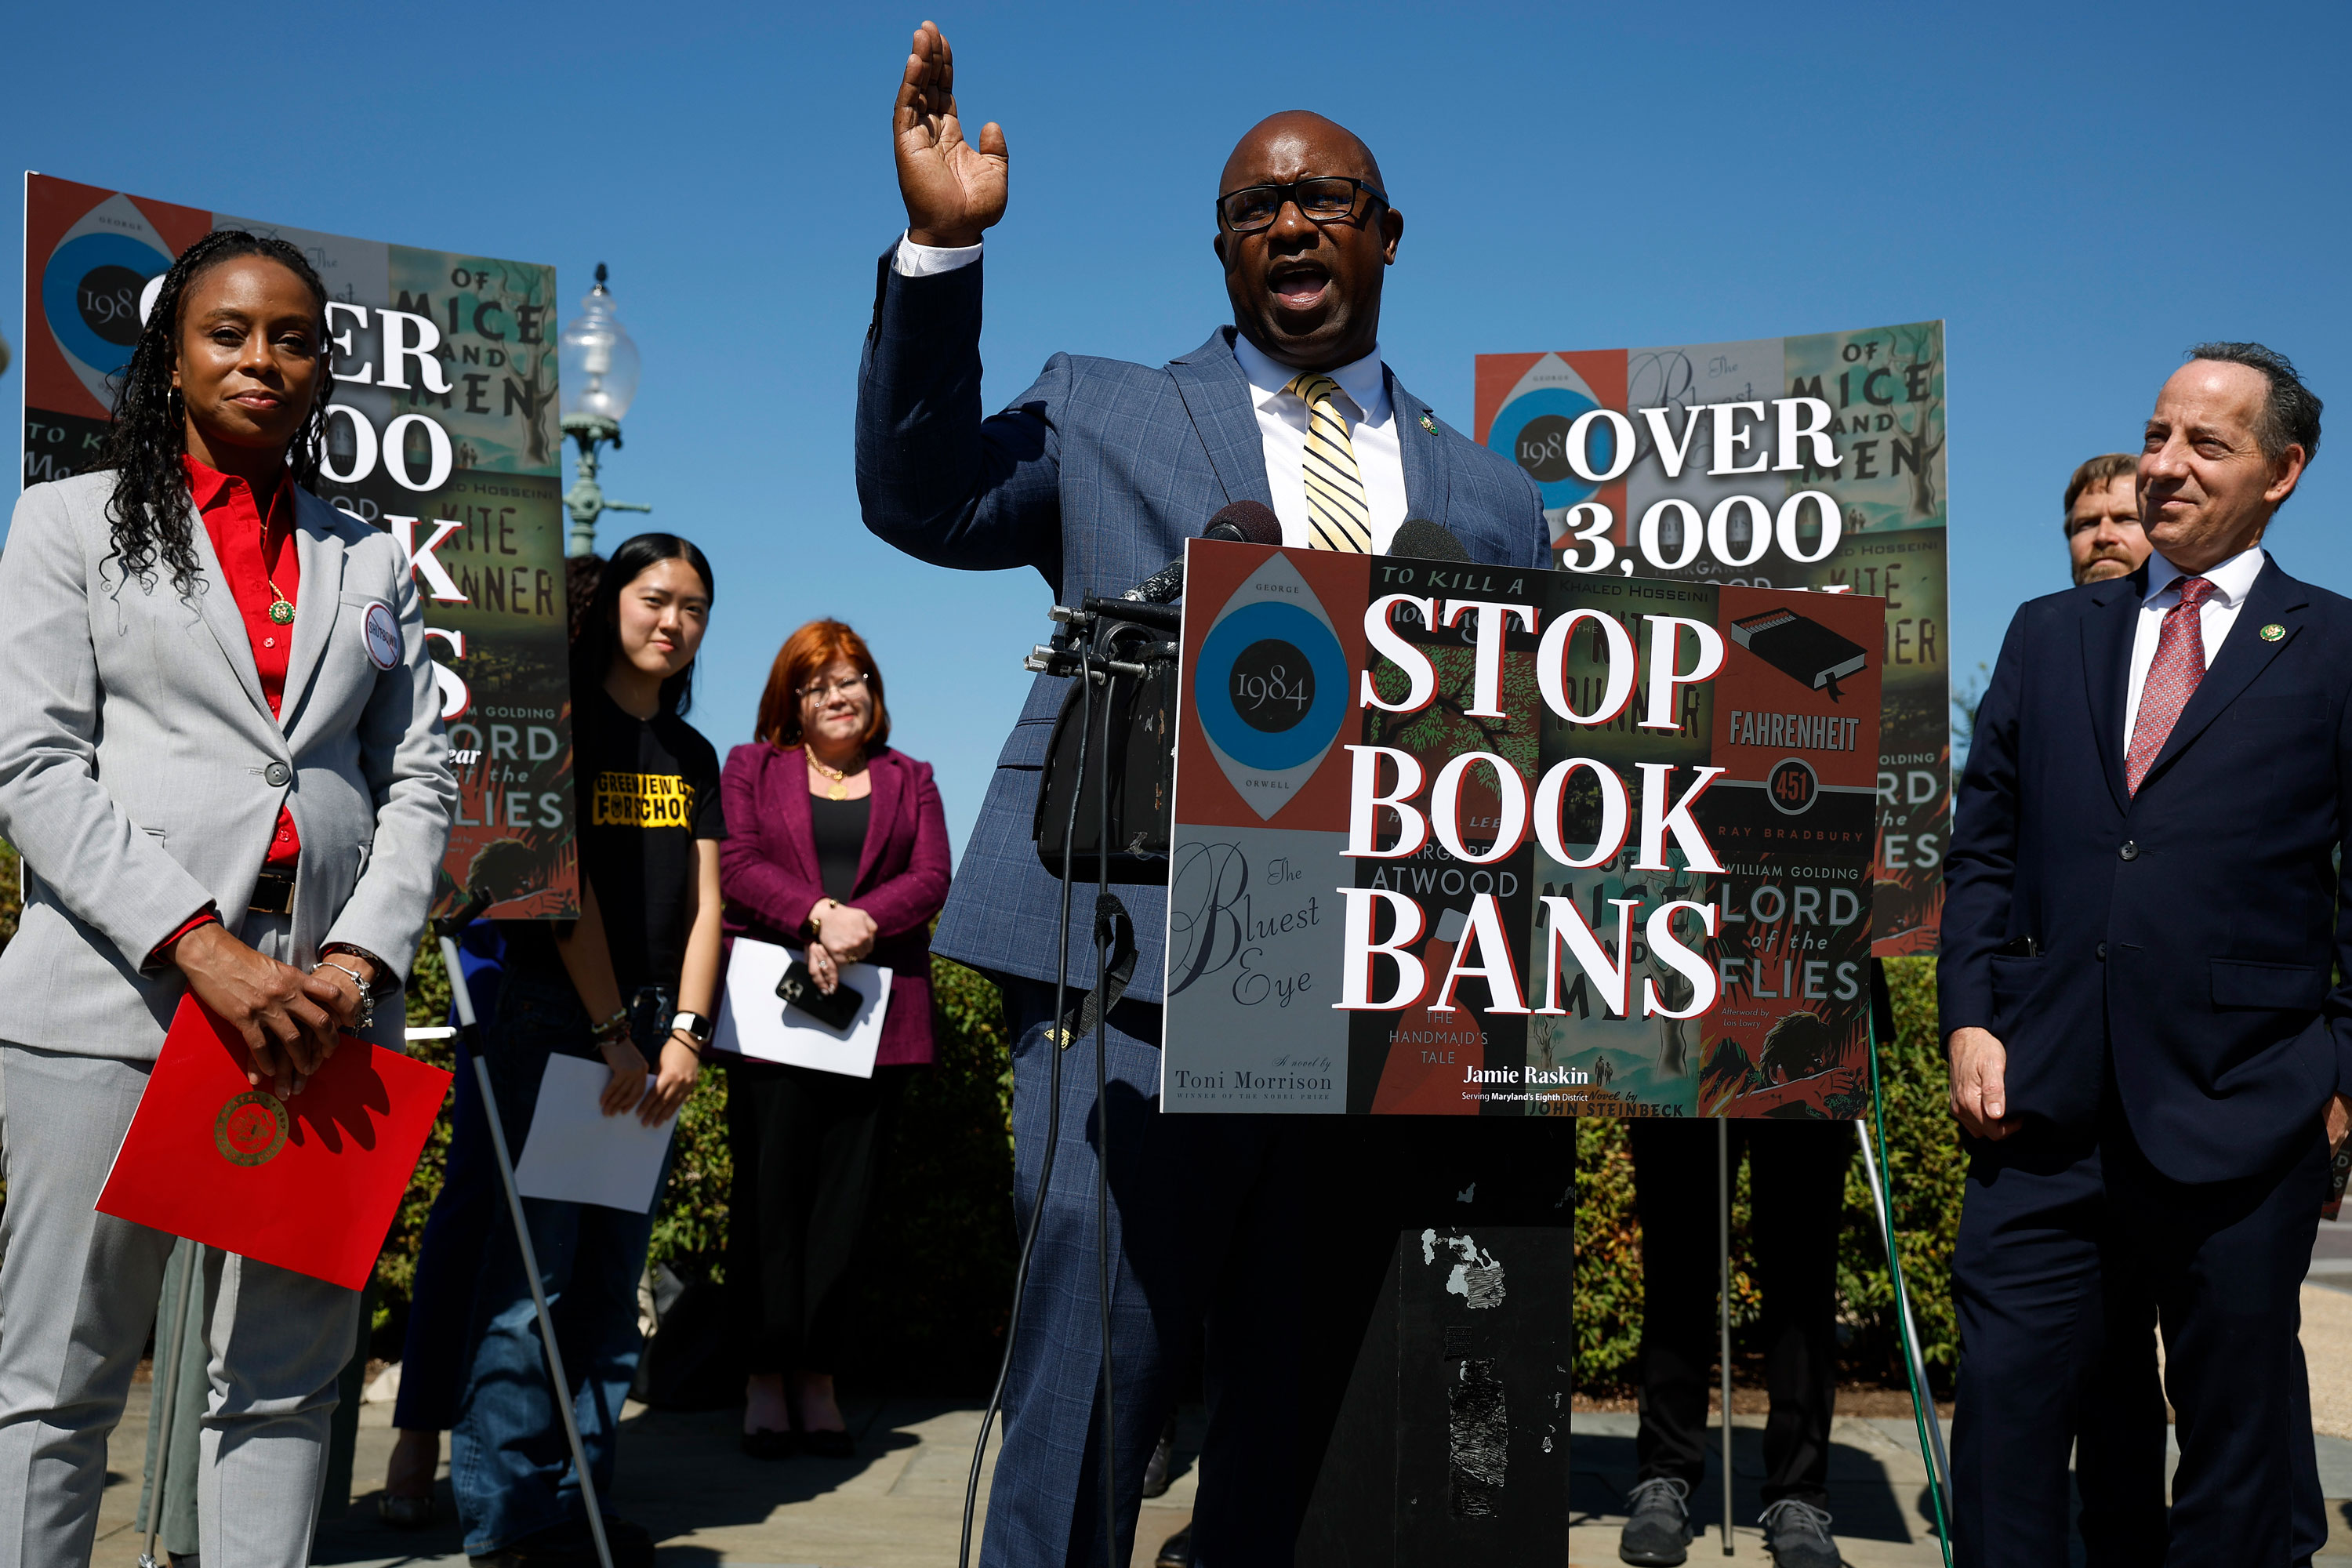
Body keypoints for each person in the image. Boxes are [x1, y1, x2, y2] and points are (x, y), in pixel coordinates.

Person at [858, 23, 1550, 1566]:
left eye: (1326, 198)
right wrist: (938, 250)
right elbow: (921, 495)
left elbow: (1538, 767)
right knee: (1093, 1387)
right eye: (1256, 207)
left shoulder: (1492, 495)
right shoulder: (1100, 410)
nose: (1291, 222)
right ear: (1224, 247)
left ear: (1385, 234)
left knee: (1301, 1421)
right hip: (1133, 984)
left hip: (1374, 1006)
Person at [0, 229, 454, 1566]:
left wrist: (358, 966)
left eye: (295, 338)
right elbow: (32, 763)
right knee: (60, 1382)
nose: (264, 358)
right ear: (172, 355)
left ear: (325, 366)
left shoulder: (372, 559)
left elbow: (418, 776)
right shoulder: (64, 523)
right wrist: (199, 946)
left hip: (322, 1015)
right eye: (230, 332)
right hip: (112, 1003)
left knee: (282, 1387)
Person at [1944, 342, 2342, 1566]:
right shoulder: (2050, 632)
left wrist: (2340, 1076)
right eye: (2157, 434)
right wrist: (1969, 1015)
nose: (2163, 467)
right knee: (2005, 1437)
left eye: (2204, 446)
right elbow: (1984, 850)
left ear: (2285, 469)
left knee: (2234, 1460)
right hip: (2041, 1115)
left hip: (2241, 1114)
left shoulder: (2332, 649)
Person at [449, 533, 725, 1568]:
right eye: (656, 598)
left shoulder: (693, 757)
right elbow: (568, 899)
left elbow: (709, 907)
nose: (674, 621)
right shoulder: (557, 728)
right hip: (559, 1021)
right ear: (610, 602)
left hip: (655, 1034)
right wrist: (616, 1036)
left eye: (695, 608)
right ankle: (511, 1521)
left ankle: (583, 1506)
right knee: (532, 1288)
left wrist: (687, 1034)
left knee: (610, 1286)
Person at [381, 554, 608, 1526]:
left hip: (605, 1003)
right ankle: (423, 1432)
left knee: (579, 1226)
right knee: (484, 1199)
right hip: (505, 974)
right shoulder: (502, 716)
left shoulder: (639, 736)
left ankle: (555, 1456)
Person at [717, 618, 950, 1458]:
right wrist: (815, 913)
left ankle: (819, 1378)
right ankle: (764, 1375)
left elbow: (930, 878)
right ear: (791, 699)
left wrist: (857, 925)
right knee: (769, 1203)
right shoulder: (752, 767)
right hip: (773, 1017)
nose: (838, 694)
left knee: (844, 1211)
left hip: (876, 1021)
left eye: (851, 677)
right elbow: (737, 864)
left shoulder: (910, 776)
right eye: (818, 683)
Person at [1617, 1113, 1853, 1566]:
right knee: (1676, 1260)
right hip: (1683, 1052)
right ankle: (1665, 1475)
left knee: (1802, 1273)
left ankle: (1799, 1494)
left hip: (1807, 1054)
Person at [2063, 452, 2151, 585]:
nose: (2102, 536)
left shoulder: (2191, 604)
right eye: (2087, 524)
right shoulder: (2038, 606)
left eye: (2126, 519)